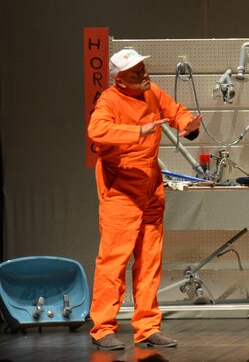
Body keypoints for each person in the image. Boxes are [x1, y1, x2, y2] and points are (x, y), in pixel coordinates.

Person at [87, 48, 202, 350]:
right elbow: (97, 130)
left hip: (150, 188)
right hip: (120, 191)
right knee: (113, 262)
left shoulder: (152, 92)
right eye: (136, 72)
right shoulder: (109, 100)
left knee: (150, 261)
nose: (144, 74)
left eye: (143, 68)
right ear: (120, 80)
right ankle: (103, 328)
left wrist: (187, 124)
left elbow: (175, 111)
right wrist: (137, 131)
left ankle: (148, 327)